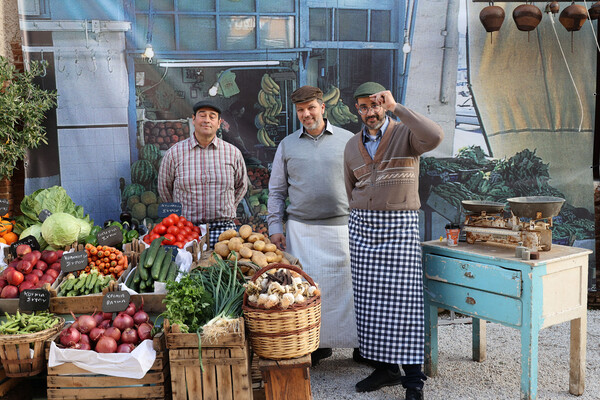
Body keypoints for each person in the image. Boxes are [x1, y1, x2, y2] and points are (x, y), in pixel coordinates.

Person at [343, 82, 444, 400]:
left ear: (384, 105)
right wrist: (363, 214)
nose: (370, 111)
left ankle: (413, 379)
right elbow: (352, 188)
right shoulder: (350, 146)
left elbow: (435, 136)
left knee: (406, 302)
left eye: (376, 104)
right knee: (370, 302)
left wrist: (396, 106)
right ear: (356, 110)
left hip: (399, 226)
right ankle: (386, 368)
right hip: (363, 228)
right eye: (364, 106)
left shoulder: (405, 134)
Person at [267, 85, 359, 367]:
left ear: (323, 107)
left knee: (347, 289)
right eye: (301, 110)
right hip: (300, 230)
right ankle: (314, 345)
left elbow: (363, 185)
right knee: (305, 291)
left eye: (311, 108)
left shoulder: (349, 140)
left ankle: (357, 344)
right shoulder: (287, 144)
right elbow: (276, 191)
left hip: (342, 229)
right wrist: (275, 227)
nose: (306, 114)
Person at [158, 100, 248, 247]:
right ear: (193, 120)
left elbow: (242, 186)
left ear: (219, 123)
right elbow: (164, 188)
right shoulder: (174, 153)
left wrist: (228, 206)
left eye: (212, 116)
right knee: (187, 269)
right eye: (202, 115)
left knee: (224, 269)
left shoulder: (233, 153)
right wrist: (180, 217)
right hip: (185, 230)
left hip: (224, 229)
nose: (207, 120)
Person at [219, 100, 262, 166]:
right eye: (241, 113)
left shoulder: (223, 114)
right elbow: (237, 139)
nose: (241, 115)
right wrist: (246, 151)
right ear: (236, 111)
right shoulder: (232, 121)